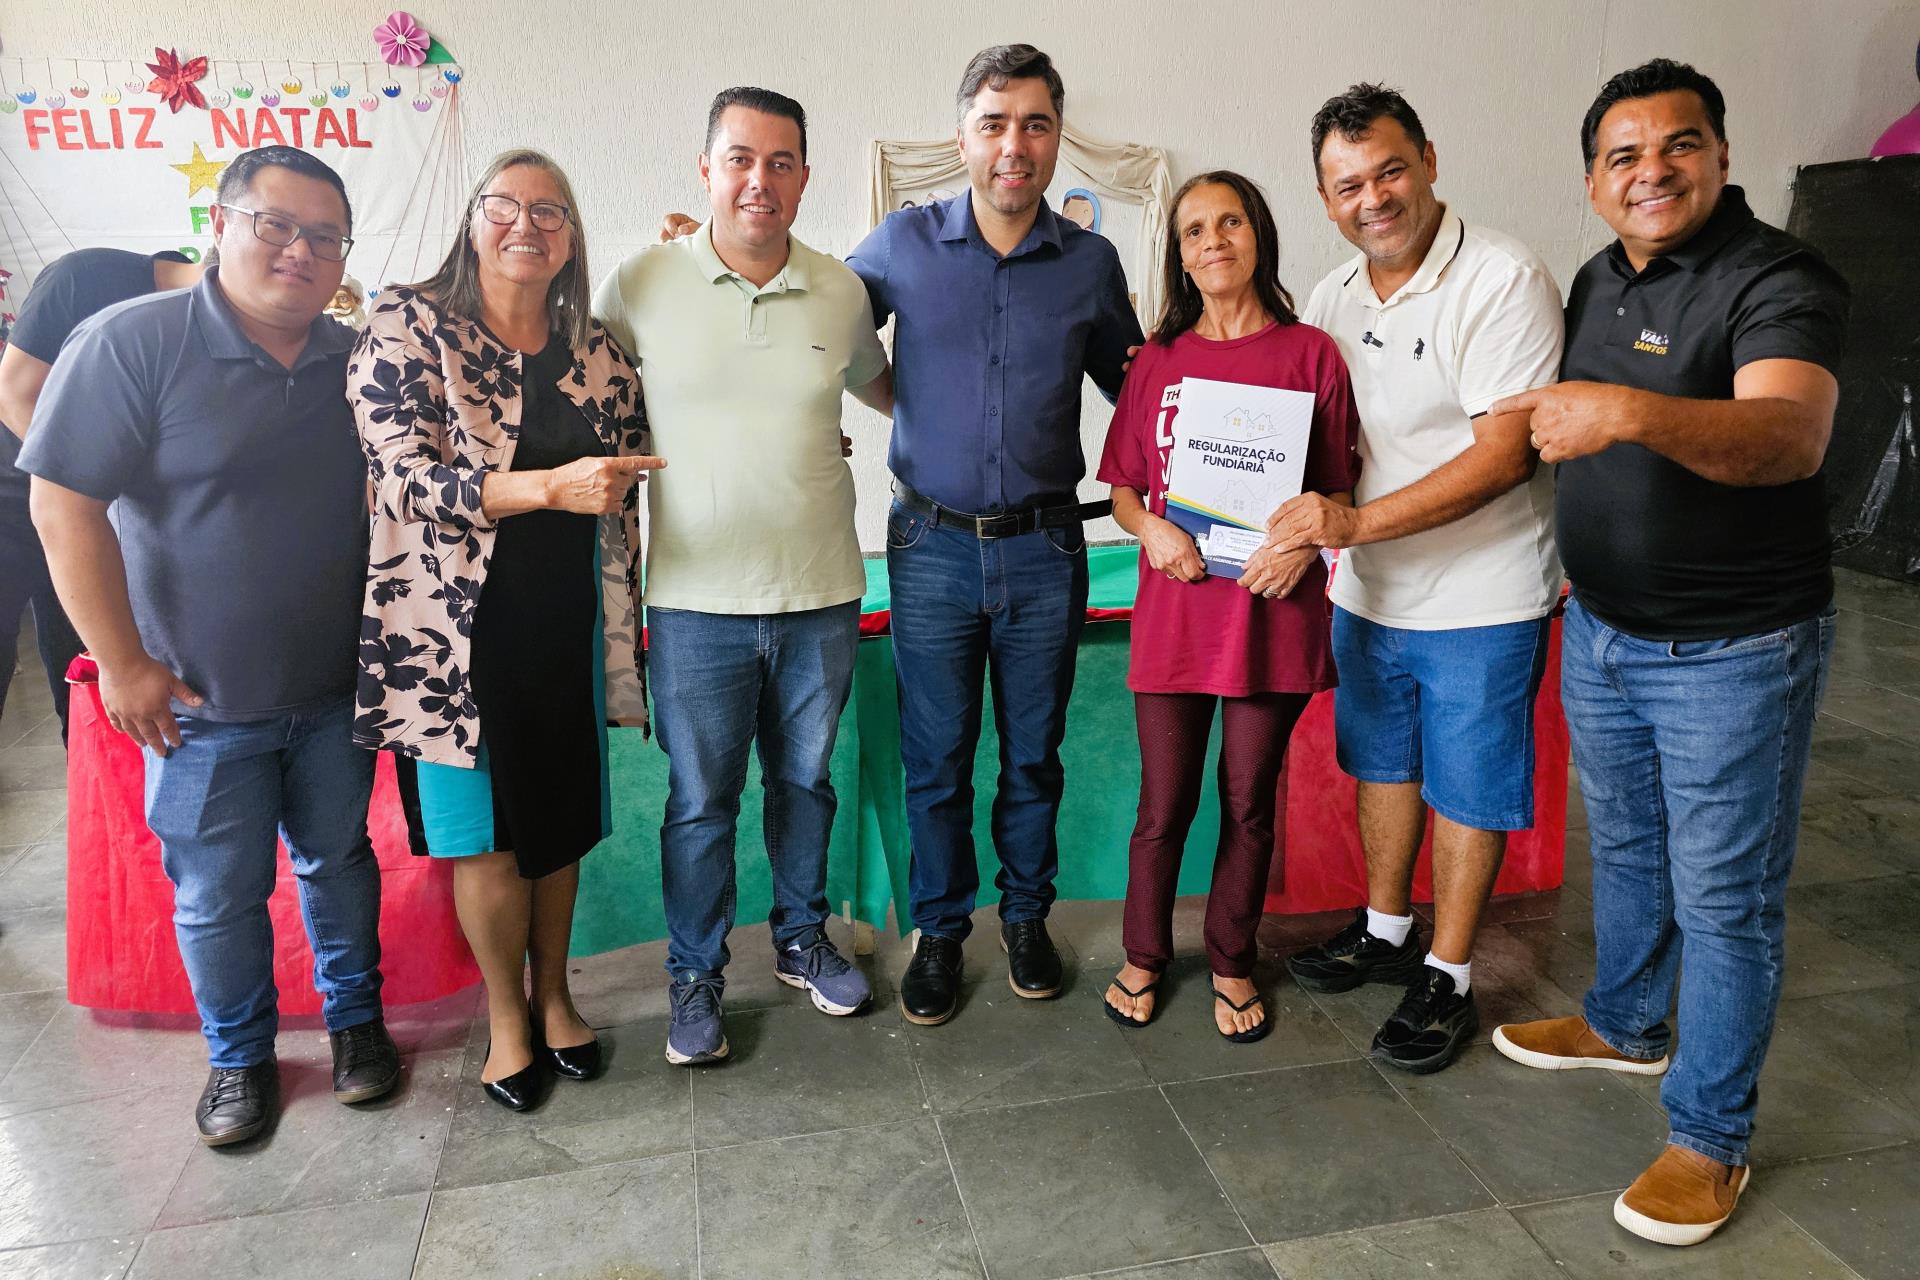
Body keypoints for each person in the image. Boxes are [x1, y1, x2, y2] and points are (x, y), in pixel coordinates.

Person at [1491, 59, 1849, 1247]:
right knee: (1630, 850)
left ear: (1722, 155)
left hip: (1736, 649)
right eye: (1623, 156)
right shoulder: (1602, 275)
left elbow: (1790, 435)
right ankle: (1625, 1021)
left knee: (1726, 900)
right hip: (1604, 629)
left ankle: (1709, 1135)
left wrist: (1628, 411)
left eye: (1678, 145)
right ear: (1594, 181)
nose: (1652, 171)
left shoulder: (1778, 277)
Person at [21, 146, 397, 1145]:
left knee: (339, 860)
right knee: (219, 894)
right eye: (277, 225)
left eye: (326, 236)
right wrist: (123, 661)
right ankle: (238, 1058)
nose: (301, 251)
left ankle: (357, 1021)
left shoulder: (354, 358)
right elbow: (63, 506)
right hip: (196, 701)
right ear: (220, 226)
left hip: (334, 689)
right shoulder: (131, 343)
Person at [1268, 84, 1566, 1075]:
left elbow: (1503, 457)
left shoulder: (1503, 278)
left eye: (1390, 171)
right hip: (1372, 592)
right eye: (1348, 185)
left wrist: (1350, 524)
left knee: (1468, 788)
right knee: (1383, 766)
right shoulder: (1331, 297)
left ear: (1430, 161)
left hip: (1484, 593)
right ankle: (1387, 929)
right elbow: (1312, 435)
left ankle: (1449, 973)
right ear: (1325, 198)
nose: (1375, 199)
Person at [350, 149, 656, 1111]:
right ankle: (507, 1020)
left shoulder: (598, 353)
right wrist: (547, 489)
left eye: (551, 211)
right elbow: (400, 476)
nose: (527, 225)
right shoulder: (409, 323)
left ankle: (556, 998)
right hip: (450, 638)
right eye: (506, 206)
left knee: (557, 827)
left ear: (572, 239)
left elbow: (637, 468)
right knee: (484, 839)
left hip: (568, 624)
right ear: (472, 219)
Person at [593, 88, 892, 1066]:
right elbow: (580, 388)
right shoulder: (641, 282)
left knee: (805, 784)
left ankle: (802, 938)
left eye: (781, 162)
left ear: (804, 178)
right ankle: (695, 974)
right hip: (694, 603)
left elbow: (886, 391)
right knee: (700, 802)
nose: (759, 180)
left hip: (820, 593)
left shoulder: (841, 291)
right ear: (706, 168)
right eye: (740, 158)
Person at [849, 45, 1143, 1026]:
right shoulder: (901, 244)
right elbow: (814, 325)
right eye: (994, 123)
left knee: (1032, 755)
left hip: (1045, 550)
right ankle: (941, 931)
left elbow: (1140, 395)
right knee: (936, 758)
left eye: (1035, 124)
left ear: (1056, 138)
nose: (1014, 145)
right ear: (963, 137)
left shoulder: (1091, 264)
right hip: (930, 548)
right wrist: (713, 257)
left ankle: (1025, 918)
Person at [1096, 171, 1358, 1040]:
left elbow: (1337, 492)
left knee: (1248, 801)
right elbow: (1125, 487)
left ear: (1260, 236)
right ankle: (1144, 954)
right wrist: (1152, 531)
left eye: (1231, 222)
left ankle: (1233, 959)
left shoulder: (1312, 354)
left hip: (1270, 609)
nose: (1214, 242)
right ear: (1180, 256)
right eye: (1195, 231)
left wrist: (1304, 549)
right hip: (1177, 611)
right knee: (1162, 805)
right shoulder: (1158, 361)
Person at [0, 248, 203, 742]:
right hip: (18, 500)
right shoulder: (84, 277)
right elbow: (14, 394)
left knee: (86, 656)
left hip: (102, 513)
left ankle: (89, 764)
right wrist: (96, 488)